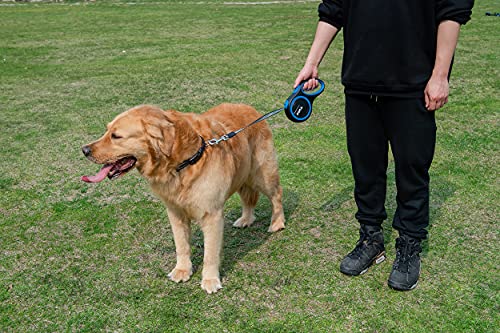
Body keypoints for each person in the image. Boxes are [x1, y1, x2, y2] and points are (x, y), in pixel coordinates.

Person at [295, 0, 474, 290]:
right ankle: (370, 239)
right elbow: (333, 10)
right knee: (365, 167)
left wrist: (440, 75)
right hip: (360, 84)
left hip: (413, 84)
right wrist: (311, 63)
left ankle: (409, 243)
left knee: (412, 168)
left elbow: (451, 11)